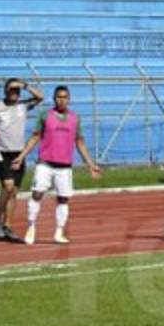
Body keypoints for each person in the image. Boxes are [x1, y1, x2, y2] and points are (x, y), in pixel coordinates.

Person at [11, 85, 102, 245]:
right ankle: (31, 226)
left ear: (69, 99)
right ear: (54, 99)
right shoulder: (45, 115)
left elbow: (79, 142)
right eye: (59, 97)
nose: (62, 100)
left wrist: (90, 164)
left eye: (65, 97)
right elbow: (35, 137)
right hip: (45, 164)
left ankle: (59, 232)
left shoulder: (75, 118)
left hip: (64, 166)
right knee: (37, 194)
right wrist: (21, 156)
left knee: (63, 199)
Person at [0, 78, 43, 241]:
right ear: (5, 91)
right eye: (11, 90)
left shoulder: (23, 105)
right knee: (8, 186)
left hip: (19, 153)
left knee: (14, 192)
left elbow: (40, 97)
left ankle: (7, 226)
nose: (14, 93)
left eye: (16, 90)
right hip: (2, 152)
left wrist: (24, 85)